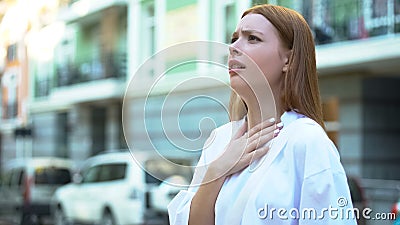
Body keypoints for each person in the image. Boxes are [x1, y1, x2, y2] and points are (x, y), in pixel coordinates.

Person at [168, 4, 357, 225]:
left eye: (253, 39)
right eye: (234, 38)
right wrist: (216, 171)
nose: (234, 48)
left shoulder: (306, 141)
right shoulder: (219, 141)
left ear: (288, 59)